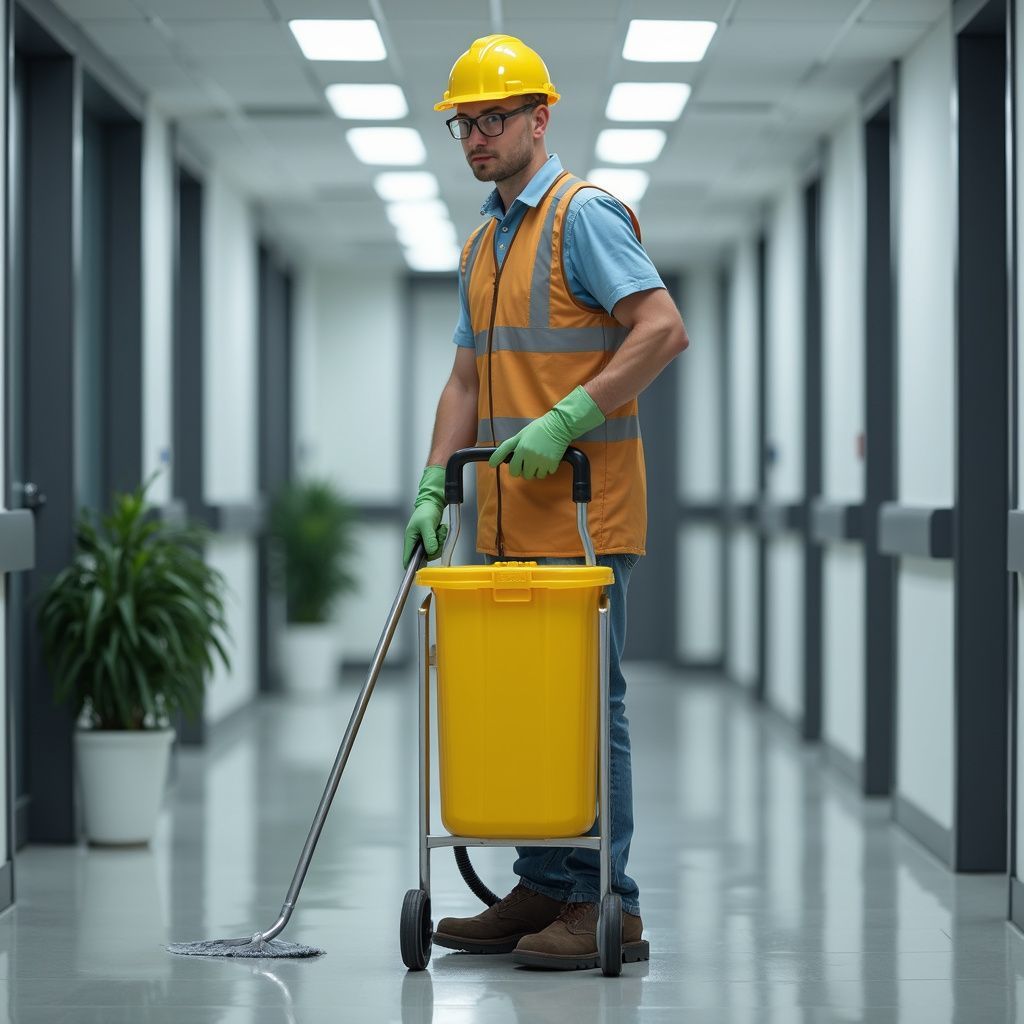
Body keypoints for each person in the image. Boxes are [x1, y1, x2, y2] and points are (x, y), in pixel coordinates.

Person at [402, 34, 688, 971]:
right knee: (522, 707)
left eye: (493, 118)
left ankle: (611, 901)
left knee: (585, 710)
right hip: (504, 523)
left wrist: (569, 415)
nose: (476, 135)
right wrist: (434, 478)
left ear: (539, 118)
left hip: (582, 514)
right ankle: (543, 885)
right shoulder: (484, 241)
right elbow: (463, 381)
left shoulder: (582, 216)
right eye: (464, 123)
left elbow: (661, 329)